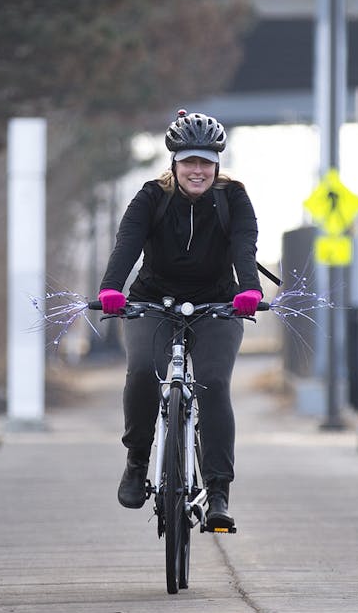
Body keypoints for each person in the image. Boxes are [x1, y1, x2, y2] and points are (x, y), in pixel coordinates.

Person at [98, 109, 262, 530]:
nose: (197, 170)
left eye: (205, 162)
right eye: (189, 161)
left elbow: (245, 246)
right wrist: (111, 288)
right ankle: (137, 462)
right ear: (174, 163)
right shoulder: (152, 197)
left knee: (214, 383)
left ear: (217, 164)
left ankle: (219, 490)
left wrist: (250, 290)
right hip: (153, 302)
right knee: (140, 374)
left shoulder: (233, 198)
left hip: (218, 305)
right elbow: (127, 244)